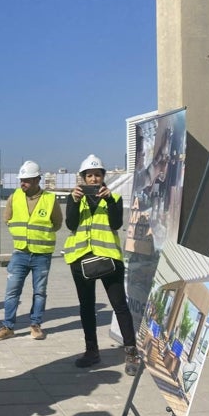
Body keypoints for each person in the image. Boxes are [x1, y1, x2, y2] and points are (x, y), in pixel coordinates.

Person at [63, 154, 140, 376]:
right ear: (83, 179)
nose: (94, 179)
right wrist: (75, 202)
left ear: (103, 177)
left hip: (108, 259)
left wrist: (109, 200)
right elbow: (71, 223)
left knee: (119, 305)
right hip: (81, 259)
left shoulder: (113, 198)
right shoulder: (75, 198)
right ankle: (91, 351)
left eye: (97, 175)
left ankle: (131, 351)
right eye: (89, 176)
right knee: (86, 307)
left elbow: (116, 223)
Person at [0, 160, 62, 342]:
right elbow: (7, 219)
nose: (22, 183)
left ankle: (35, 325)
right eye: (21, 180)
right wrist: (21, 234)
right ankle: (8, 326)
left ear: (37, 180)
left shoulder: (49, 199)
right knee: (12, 291)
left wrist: (39, 235)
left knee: (39, 291)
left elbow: (57, 223)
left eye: (27, 180)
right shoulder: (14, 197)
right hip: (20, 252)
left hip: (42, 254)